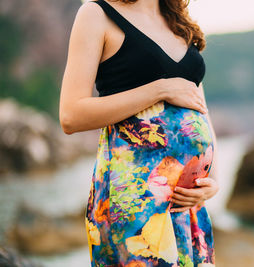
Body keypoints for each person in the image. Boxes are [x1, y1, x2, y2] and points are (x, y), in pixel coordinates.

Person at [58, 0, 219, 266]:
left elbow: (199, 106)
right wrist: (160, 89)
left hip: (188, 205)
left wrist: (210, 182)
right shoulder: (96, 14)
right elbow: (70, 115)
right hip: (134, 202)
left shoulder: (178, 20)